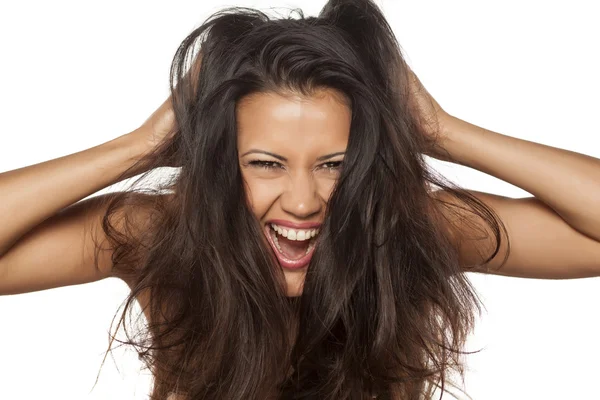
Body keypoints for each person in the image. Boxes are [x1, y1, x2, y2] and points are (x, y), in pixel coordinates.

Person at [1, 0, 599, 399]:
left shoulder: (409, 228)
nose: (304, 201)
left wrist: (442, 130)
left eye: (334, 166)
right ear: (216, 162)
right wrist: (140, 145)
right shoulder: (159, 233)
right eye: (266, 164)